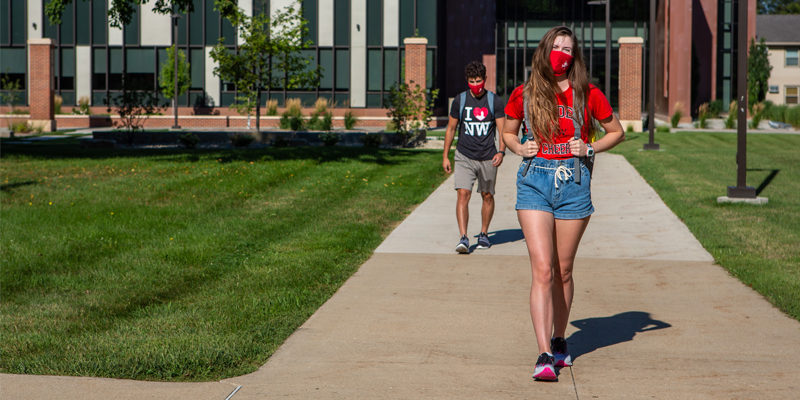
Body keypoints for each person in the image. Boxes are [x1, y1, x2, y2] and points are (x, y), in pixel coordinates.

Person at [501, 26, 624, 380]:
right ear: (544, 50)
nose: (561, 53)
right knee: (542, 269)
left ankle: (559, 339)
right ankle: (543, 355)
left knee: (563, 271)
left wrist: (590, 147)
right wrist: (517, 147)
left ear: (575, 56)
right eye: (555, 46)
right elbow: (508, 132)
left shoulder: (588, 94)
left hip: (573, 185)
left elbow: (617, 131)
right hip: (534, 184)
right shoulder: (524, 93)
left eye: (567, 48)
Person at [443, 61, 507, 253]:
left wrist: (501, 151)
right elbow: (451, 128)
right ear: (467, 80)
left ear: (485, 79)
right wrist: (445, 156)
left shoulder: (494, 101)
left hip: (488, 156)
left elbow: (503, 130)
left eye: (478, 80)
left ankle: (484, 234)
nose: (475, 84)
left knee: (487, 195)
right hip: (464, 155)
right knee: (463, 193)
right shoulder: (460, 100)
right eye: (472, 81)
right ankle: (463, 238)